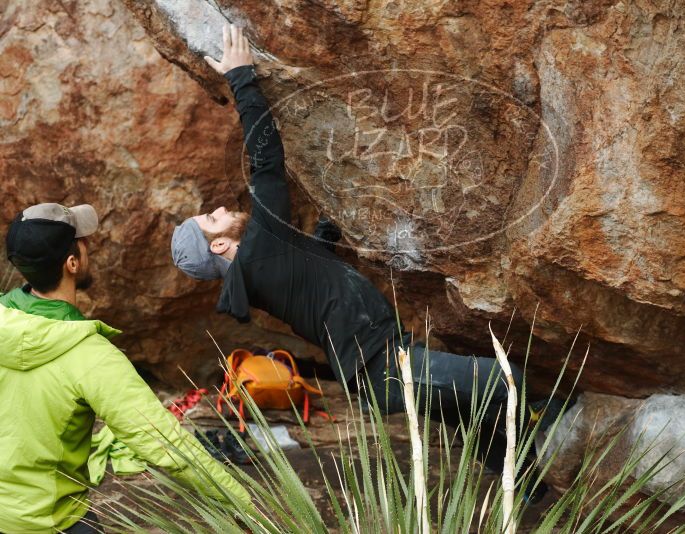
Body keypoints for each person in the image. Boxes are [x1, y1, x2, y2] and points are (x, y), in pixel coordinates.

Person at [173, 25, 561, 480]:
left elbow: (312, 270)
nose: (220, 208)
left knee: (472, 422)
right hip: (387, 369)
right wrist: (241, 78)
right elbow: (266, 165)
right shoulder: (258, 250)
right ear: (220, 246)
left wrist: (329, 223)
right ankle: (556, 433)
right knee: (506, 380)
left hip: (384, 364)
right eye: (212, 219)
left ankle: (530, 490)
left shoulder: (263, 265)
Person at [0, 203, 251, 533]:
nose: (89, 244)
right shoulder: (90, 357)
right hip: (47, 522)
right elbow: (164, 444)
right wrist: (243, 505)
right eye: (81, 240)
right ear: (71, 263)